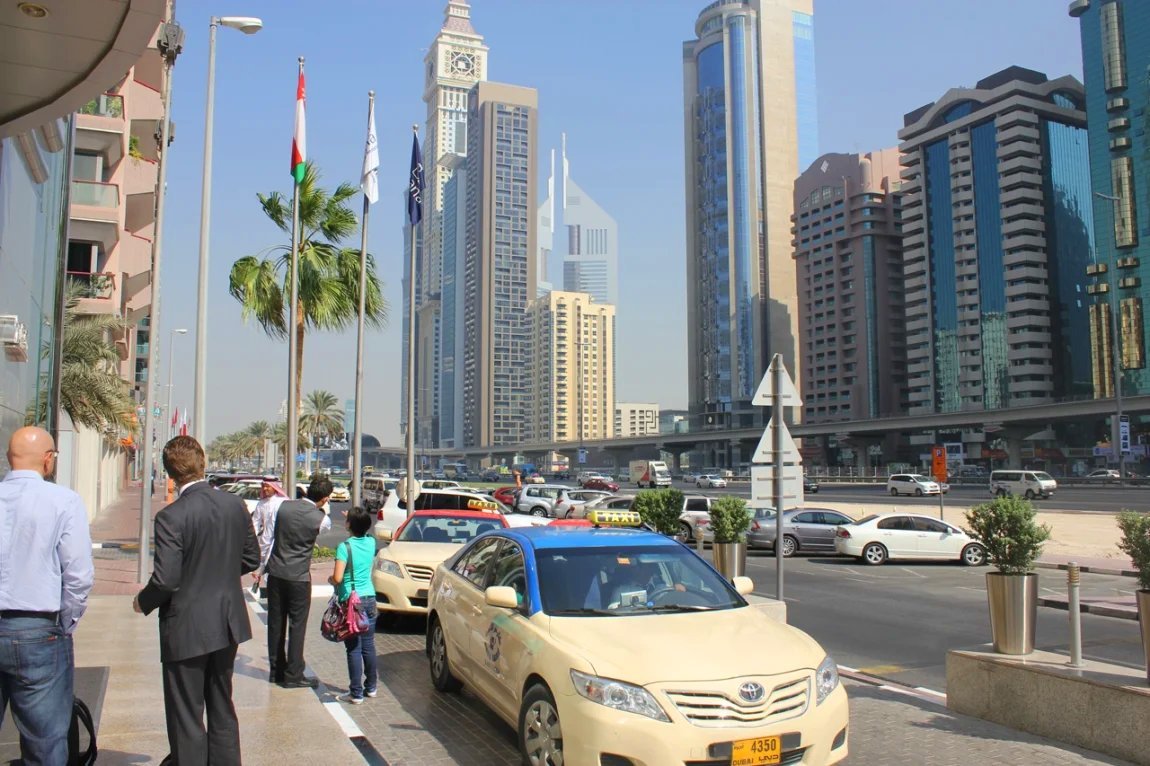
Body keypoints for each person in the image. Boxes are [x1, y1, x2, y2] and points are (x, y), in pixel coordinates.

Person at [134, 436, 260, 765]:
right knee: (222, 706)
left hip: (187, 627)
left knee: (186, 715)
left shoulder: (171, 517)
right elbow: (251, 558)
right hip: (228, 622)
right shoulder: (234, 505)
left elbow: (166, 580)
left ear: (170, 472)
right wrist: (219, 571)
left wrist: (142, 602)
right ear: (202, 462)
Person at [0, 426, 94, 763]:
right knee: (45, 744)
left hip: (36, 626)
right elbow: (79, 575)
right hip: (39, 629)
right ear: (48, 459)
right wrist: (64, 622)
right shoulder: (63, 501)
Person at [264, 476, 333, 688]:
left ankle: (276, 671)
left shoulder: (283, 507)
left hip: (275, 573)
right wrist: (322, 510)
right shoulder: (322, 519)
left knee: (275, 623)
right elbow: (322, 529)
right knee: (297, 626)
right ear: (324, 499)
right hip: (299, 577)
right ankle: (293, 674)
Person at [327, 506, 377, 704]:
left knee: (353, 648)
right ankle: (371, 687)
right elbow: (361, 527)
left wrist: (331, 580)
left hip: (351, 602)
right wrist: (355, 519)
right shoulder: (371, 542)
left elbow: (338, 577)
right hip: (370, 599)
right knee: (368, 646)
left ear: (349, 525)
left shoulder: (344, 547)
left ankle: (356, 693)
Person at [251, 481, 287, 587]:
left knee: (273, 568)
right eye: (264, 487)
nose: (265, 489)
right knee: (265, 567)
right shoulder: (261, 503)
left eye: (268, 486)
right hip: (266, 540)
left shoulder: (283, 502)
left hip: (280, 540)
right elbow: (255, 523)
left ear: (274, 488)